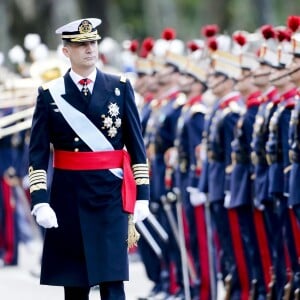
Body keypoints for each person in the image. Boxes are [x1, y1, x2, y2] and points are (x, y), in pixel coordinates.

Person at [28, 18, 150, 300]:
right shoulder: (49, 94)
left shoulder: (119, 87)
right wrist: (40, 201)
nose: (89, 49)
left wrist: (142, 194)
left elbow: (136, 145)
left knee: (112, 281)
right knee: (74, 283)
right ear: (66, 51)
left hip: (109, 195)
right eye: (81, 45)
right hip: (68, 196)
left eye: (92, 43)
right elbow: (37, 154)